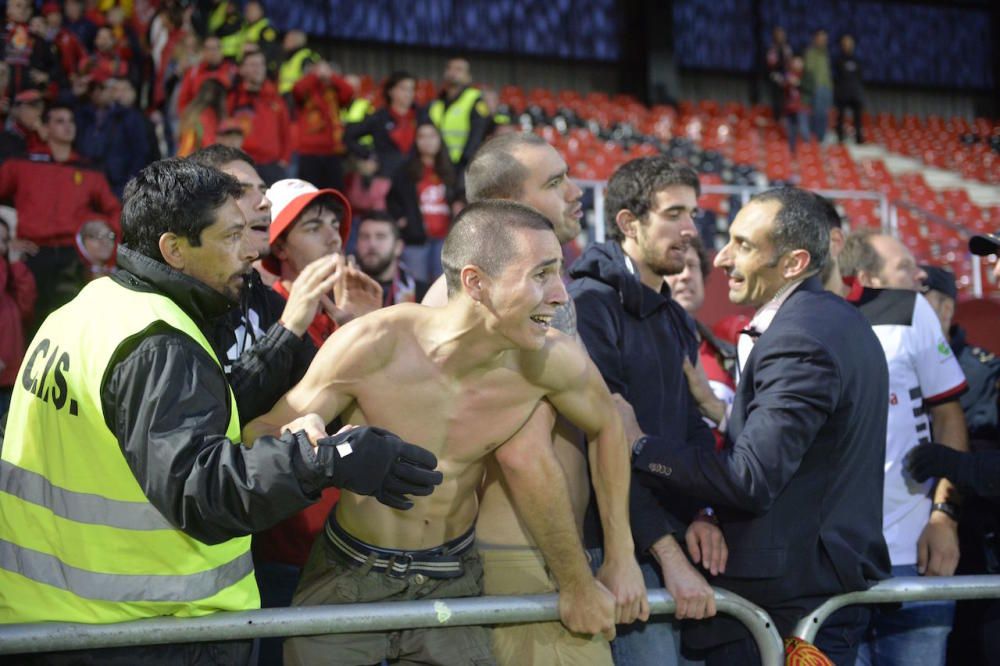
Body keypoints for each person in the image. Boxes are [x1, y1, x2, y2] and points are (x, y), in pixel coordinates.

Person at [0, 158, 442, 664]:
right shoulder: (158, 341)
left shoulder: (87, 308)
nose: (253, 251)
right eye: (233, 236)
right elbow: (200, 490)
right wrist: (325, 461)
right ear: (174, 250)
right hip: (137, 630)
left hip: (62, 620)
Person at [244, 199, 641, 666]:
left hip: (452, 581)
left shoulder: (551, 362)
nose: (561, 294)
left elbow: (609, 426)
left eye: (558, 273)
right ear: (475, 282)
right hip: (348, 576)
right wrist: (301, 436)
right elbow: (259, 430)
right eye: (541, 274)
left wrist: (621, 555)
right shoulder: (377, 343)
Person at [618, 187, 892, 664]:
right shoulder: (832, 322)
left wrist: (640, 446)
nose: (721, 257)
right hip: (807, 589)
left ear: (793, 263)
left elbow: (751, 479)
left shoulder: (799, 337)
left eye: (743, 245)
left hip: (786, 604)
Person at [424, 133, 644, 666]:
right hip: (521, 566)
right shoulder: (471, 305)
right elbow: (520, 453)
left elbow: (606, 421)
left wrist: (618, 552)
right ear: (506, 209)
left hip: (555, 557)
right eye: (554, 182)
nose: (575, 193)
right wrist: (578, 577)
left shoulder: (547, 300)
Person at [569, 156, 726, 666]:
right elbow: (606, 446)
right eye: (674, 214)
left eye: (694, 214)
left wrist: (703, 512)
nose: (690, 229)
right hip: (617, 551)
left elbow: (691, 428)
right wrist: (669, 555)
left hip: (676, 549)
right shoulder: (589, 307)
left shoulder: (677, 318)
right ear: (628, 223)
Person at [837, 229, 968, 666]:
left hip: (918, 554)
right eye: (905, 269)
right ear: (865, 275)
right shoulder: (806, 321)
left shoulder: (914, 312)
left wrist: (943, 516)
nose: (920, 276)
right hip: (834, 563)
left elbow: (948, 416)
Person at [916, 263, 1000, 666]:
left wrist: (956, 467)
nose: (995, 269)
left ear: (947, 309)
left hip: (975, 541)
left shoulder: (982, 370)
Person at [0, 103, 120, 326]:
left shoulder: (87, 169)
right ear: (45, 128)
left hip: (72, 257)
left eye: (71, 121)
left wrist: (107, 252)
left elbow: (114, 210)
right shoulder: (22, 164)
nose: (68, 126)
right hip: (32, 256)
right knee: (28, 325)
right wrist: (8, 241)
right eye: (59, 121)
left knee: (72, 325)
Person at [264, 177, 383, 349]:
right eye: (313, 228)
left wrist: (364, 328)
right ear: (279, 248)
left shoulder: (343, 310)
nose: (334, 238)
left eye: (335, 226)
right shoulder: (265, 315)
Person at [665, 237, 737, 446]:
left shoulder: (728, 350)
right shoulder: (642, 351)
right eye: (677, 267)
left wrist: (712, 405)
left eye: (692, 266)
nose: (686, 274)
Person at [387, 121, 457, 283]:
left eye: (432, 136)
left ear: (440, 139)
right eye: (422, 137)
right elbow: (392, 198)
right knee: (416, 288)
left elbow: (459, 194)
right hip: (415, 240)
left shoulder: (450, 169)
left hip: (445, 240)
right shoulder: (405, 170)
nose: (427, 141)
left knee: (442, 288)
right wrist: (401, 219)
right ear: (416, 141)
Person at [228, 45, 289, 184]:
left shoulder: (275, 98)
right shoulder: (232, 98)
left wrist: (284, 160)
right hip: (242, 165)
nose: (258, 69)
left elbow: (286, 131)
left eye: (261, 64)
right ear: (242, 70)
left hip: (273, 167)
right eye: (253, 65)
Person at [344, 70, 421, 179]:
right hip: (387, 177)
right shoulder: (379, 117)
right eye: (403, 88)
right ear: (391, 91)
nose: (408, 93)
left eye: (411, 89)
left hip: (415, 176)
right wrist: (368, 156)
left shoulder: (421, 116)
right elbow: (349, 136)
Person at [290, 59, 354, 191]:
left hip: (332, 150)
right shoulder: (307, 87)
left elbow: (349, 92)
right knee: (309, 193)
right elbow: (297, 90)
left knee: (334, 193)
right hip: (309, 151)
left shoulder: (333, 90)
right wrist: (314, 75)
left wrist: (332, 77)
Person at [0, 216, 35, 425]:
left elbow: (27, 306)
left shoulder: (10, 280)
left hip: (12, 377)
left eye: (4, 240)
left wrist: (16, 266)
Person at [354, 211, 429, 306]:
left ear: (398, 247)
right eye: (365, 237)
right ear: (356, 245)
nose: (372, 244)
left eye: (380, 237)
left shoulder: (423, 295)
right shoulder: (341, 291)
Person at [428, 57, 489, 171]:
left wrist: (464, 162)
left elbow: (477, 135)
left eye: (459, 69)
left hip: (463, 165)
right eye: (450, 68)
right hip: (438, 164)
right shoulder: (437, 102)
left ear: (468, 77)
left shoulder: (475, 99)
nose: (453, 72)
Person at [176, 35, 236, 113]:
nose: (212, 53)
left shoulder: (232, 71)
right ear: (203, 51)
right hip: (198, 120)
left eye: (215, 49)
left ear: (221, 50)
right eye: (208, 49)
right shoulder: (193, 72)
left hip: (224, 119)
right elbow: (183, 100)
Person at [177, 78, 228, 157]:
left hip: (184, 157)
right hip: (196, 160)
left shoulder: (191, 110)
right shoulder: (208, 114)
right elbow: (209, 144)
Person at [833, 34, 864, 144]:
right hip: (842, 94)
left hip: (855, 93)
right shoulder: (838, 61)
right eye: (845, 44)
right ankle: (840, 138)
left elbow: (860, 77)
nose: (847, 46)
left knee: (858, 118)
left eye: (849, 44)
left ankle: (859, 139)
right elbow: (836, 78)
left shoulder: (857, 61)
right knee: (840, 117)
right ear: (842, 45)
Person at [803, 29, 833, 143]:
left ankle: (822, 138)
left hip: (827, 88)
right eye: (821, 39)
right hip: (817, 88)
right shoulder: (810, 53)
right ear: (815, 39)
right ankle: (815, 138)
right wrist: (813, 87)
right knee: (817, 113)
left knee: (825, 114)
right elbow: (808, 71)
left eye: (825, 39)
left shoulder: (826, 54)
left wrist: (830, 87)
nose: (823, 41)